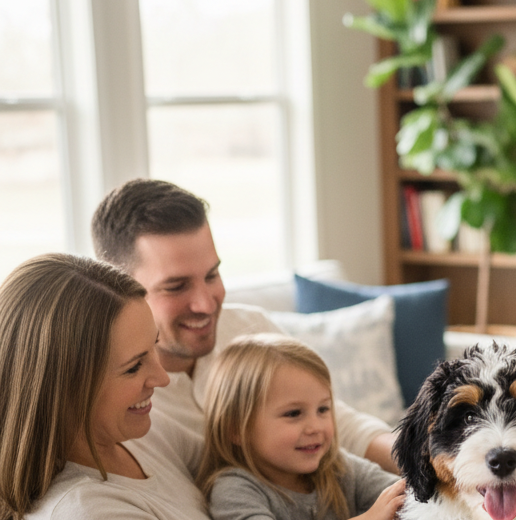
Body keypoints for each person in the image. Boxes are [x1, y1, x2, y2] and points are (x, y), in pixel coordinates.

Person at [90, 178, 399, 473]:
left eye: (212, 275)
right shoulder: (120, 399)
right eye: (176, 286)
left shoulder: (250, 328)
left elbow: (339, 423)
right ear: (119, 289)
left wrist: (417, 457)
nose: (207, 304)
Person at [0, 254, 235, 520]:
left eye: (155, 346)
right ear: (64, 388)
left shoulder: (135, 430)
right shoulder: (86, 514)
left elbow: (240, 466)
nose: (162, 378)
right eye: (134, 367)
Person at [195, 333, 403, 520]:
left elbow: (396, 491)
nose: (316, 427)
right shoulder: (233, 487)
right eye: (294, 413)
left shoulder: (336, 465)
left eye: (323, 409)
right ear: (237, 428)